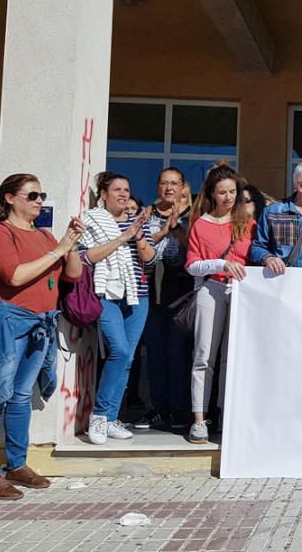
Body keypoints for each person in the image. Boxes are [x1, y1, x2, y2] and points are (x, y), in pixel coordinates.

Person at [0, 174, 84, 500]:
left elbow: (73, 274)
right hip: (8, 320)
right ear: (10, 198)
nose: (39, 200)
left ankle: (17, 464)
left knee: (20, 395)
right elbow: (13, 276)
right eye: (32, 195)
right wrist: (58, 249)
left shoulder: (43, 234)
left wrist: (69, 245)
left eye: (41, 194)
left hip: (39, 324)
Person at [80, 172, 156, 445]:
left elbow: (149, 259)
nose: (124, 194)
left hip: (138, 295)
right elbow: (86, 258)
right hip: (106, 293)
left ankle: (112, 418)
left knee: (128, 358)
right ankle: (99, 416)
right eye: (117, 190)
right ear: (103, 194)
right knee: (119, 350)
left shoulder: (138, 223)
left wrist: (138, 236)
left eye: (127, 189)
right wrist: (124, 236)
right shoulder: (92, 221)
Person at [185, 162, 255, 444]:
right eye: (222, 192)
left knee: (232, 358)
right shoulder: (201, 225)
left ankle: (228, 416)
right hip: (211, 287)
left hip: (241, 291)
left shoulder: (246, 223)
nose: (228, 197)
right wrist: (221, 264)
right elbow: (191, 265)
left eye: (233, 192)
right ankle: (199, 420)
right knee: (204, 357)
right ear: (212, 194)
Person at [135, 167, 192, 431]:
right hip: (151, 285)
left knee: (179, 351)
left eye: (175, 183)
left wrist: (177, 225)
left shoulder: (194, 215)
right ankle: (158, 408)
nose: (169, 188)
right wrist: (162, 230)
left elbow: (194, 247)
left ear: (183, 187)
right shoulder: (145, 215)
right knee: (155, 351)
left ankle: (180, 409)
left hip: (182, 286)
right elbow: (141, 246)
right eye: (164, 183)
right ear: (157, 187)